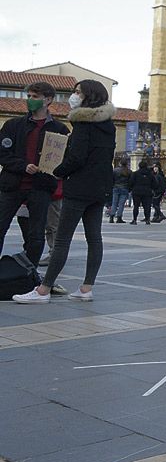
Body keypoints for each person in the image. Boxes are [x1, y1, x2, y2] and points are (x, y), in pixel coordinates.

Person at [12, 81, 116, 304]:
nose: (73, 96)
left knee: (61, 240)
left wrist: (56, 171)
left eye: (77, 92)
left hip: (78, 188)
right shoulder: (109, 125)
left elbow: (77, 158)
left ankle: (43, 290)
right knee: (94, 238)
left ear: (88, 96)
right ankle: (86, 288)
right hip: (99, 189)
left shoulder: (82, 123)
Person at [0, 81, 71, 265]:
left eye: (35, 97)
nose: (30, 100)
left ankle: (30, 271)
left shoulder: (59, 129)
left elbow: (63, 160)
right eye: (28, 96)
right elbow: (3, 154)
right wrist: (22, 165)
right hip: (11, 185)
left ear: (48, 100)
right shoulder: (13, 125)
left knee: (36, 234)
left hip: (40, 188)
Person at [128, 160, 155, 226]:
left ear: (139, 166)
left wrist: (130, 189)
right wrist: (152, 189)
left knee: (136, 206)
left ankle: (134, 220)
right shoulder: (150, 174)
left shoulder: (135, 174)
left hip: (137, 192)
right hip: (147, 192)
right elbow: (155, 184)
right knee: (147, 207)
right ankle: (147, 220)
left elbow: (131, 182)